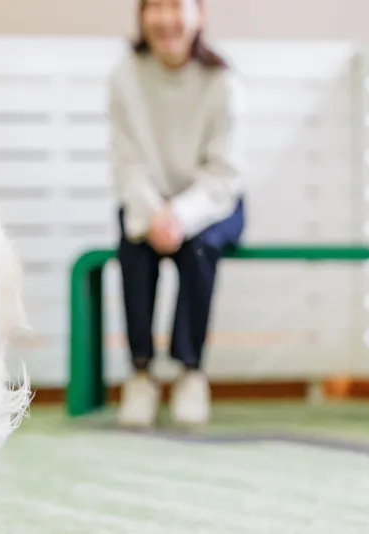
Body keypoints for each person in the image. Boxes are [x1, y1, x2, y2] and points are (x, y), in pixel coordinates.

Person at [107, 0, 246, 427]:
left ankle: (190, 372)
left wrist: (182, 216)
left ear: (199, 15)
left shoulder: (222, 80)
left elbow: (225, 173)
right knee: (135, 249)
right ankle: (142, 373)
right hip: (149, 202)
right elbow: (127, 165)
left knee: (199, 250)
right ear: (142, 15)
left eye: (177, 6)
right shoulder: (125, 76)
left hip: (213, 204)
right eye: (156, 7)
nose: (167, 19)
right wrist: (156, 214)